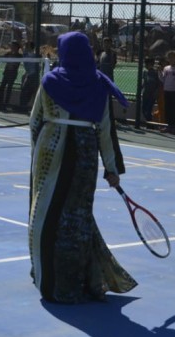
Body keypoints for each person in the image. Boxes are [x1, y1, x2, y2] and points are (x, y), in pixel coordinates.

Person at [29, 31, 137, 305]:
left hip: (50, 151)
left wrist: (37, 151)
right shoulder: (99, 85)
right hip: (84, 157)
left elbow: (35, 121)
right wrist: (111, 169)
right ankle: (79, 283)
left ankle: (49, 280)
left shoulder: (50, 81)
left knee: (46, 215)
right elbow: (105, 131)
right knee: (77, 217)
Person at [160, 55, 175, 132]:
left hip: (174, 91)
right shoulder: (166, 68)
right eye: (170, 57)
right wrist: (159, 72)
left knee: (174, 109)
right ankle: (167, 126)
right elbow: (162, 79)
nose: (171, 59)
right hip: (166, 90)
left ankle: (174, 127)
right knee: (167, 109)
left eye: (173, 57)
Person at [0, 40, 22, 109]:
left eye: (13, 46)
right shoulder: (8, 54)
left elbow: (15, 64)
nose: (11, 47)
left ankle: (6, 104)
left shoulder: (19, 56)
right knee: (2, 87)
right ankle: (0, 103)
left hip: (12, 74)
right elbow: (2, 58)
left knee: (9, 88)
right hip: (6, 73)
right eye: (11, 46)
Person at [140, 57, 160, 123]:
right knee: (143, 109)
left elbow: (158, 83)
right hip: (145, 93)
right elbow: (144, 82)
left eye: (146, 64)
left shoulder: (155, 72)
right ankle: (150, 122)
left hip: (152, 94)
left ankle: (150, 124)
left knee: (148, 110)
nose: (145, 65)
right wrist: (141, 88)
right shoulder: (145, 72)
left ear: (151, 64)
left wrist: (156, 92)